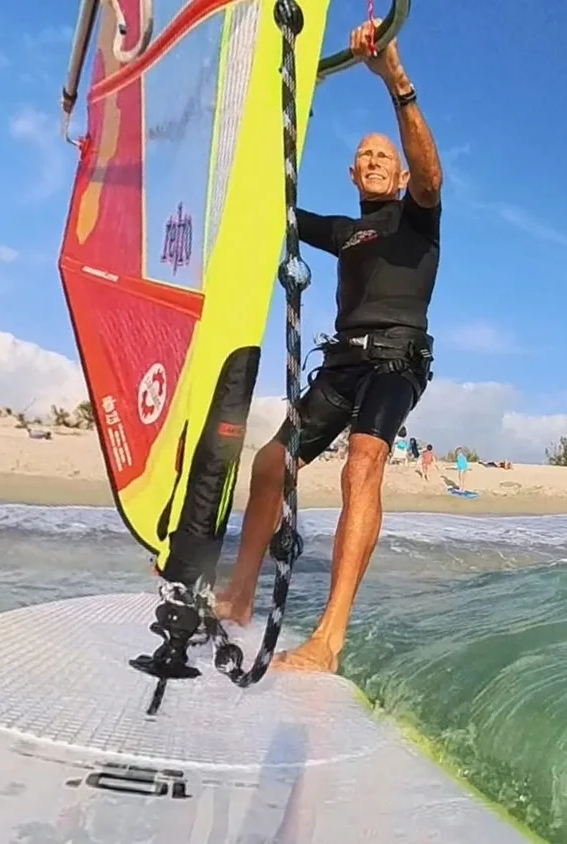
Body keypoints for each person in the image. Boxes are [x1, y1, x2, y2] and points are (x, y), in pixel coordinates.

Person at [213, 18, 443, 674]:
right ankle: (239, 596)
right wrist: (267, 113)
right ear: (351, 172)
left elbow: (432, 175)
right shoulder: (346, 232)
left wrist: (395, 79)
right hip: (342, 364)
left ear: (399, 174)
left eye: (383, 157)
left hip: (396, 360)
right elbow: (274, 207)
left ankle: (329, 640)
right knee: (269, 465)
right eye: (364, 156)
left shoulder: (418, 216)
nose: (373, 161)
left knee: (362, 464)